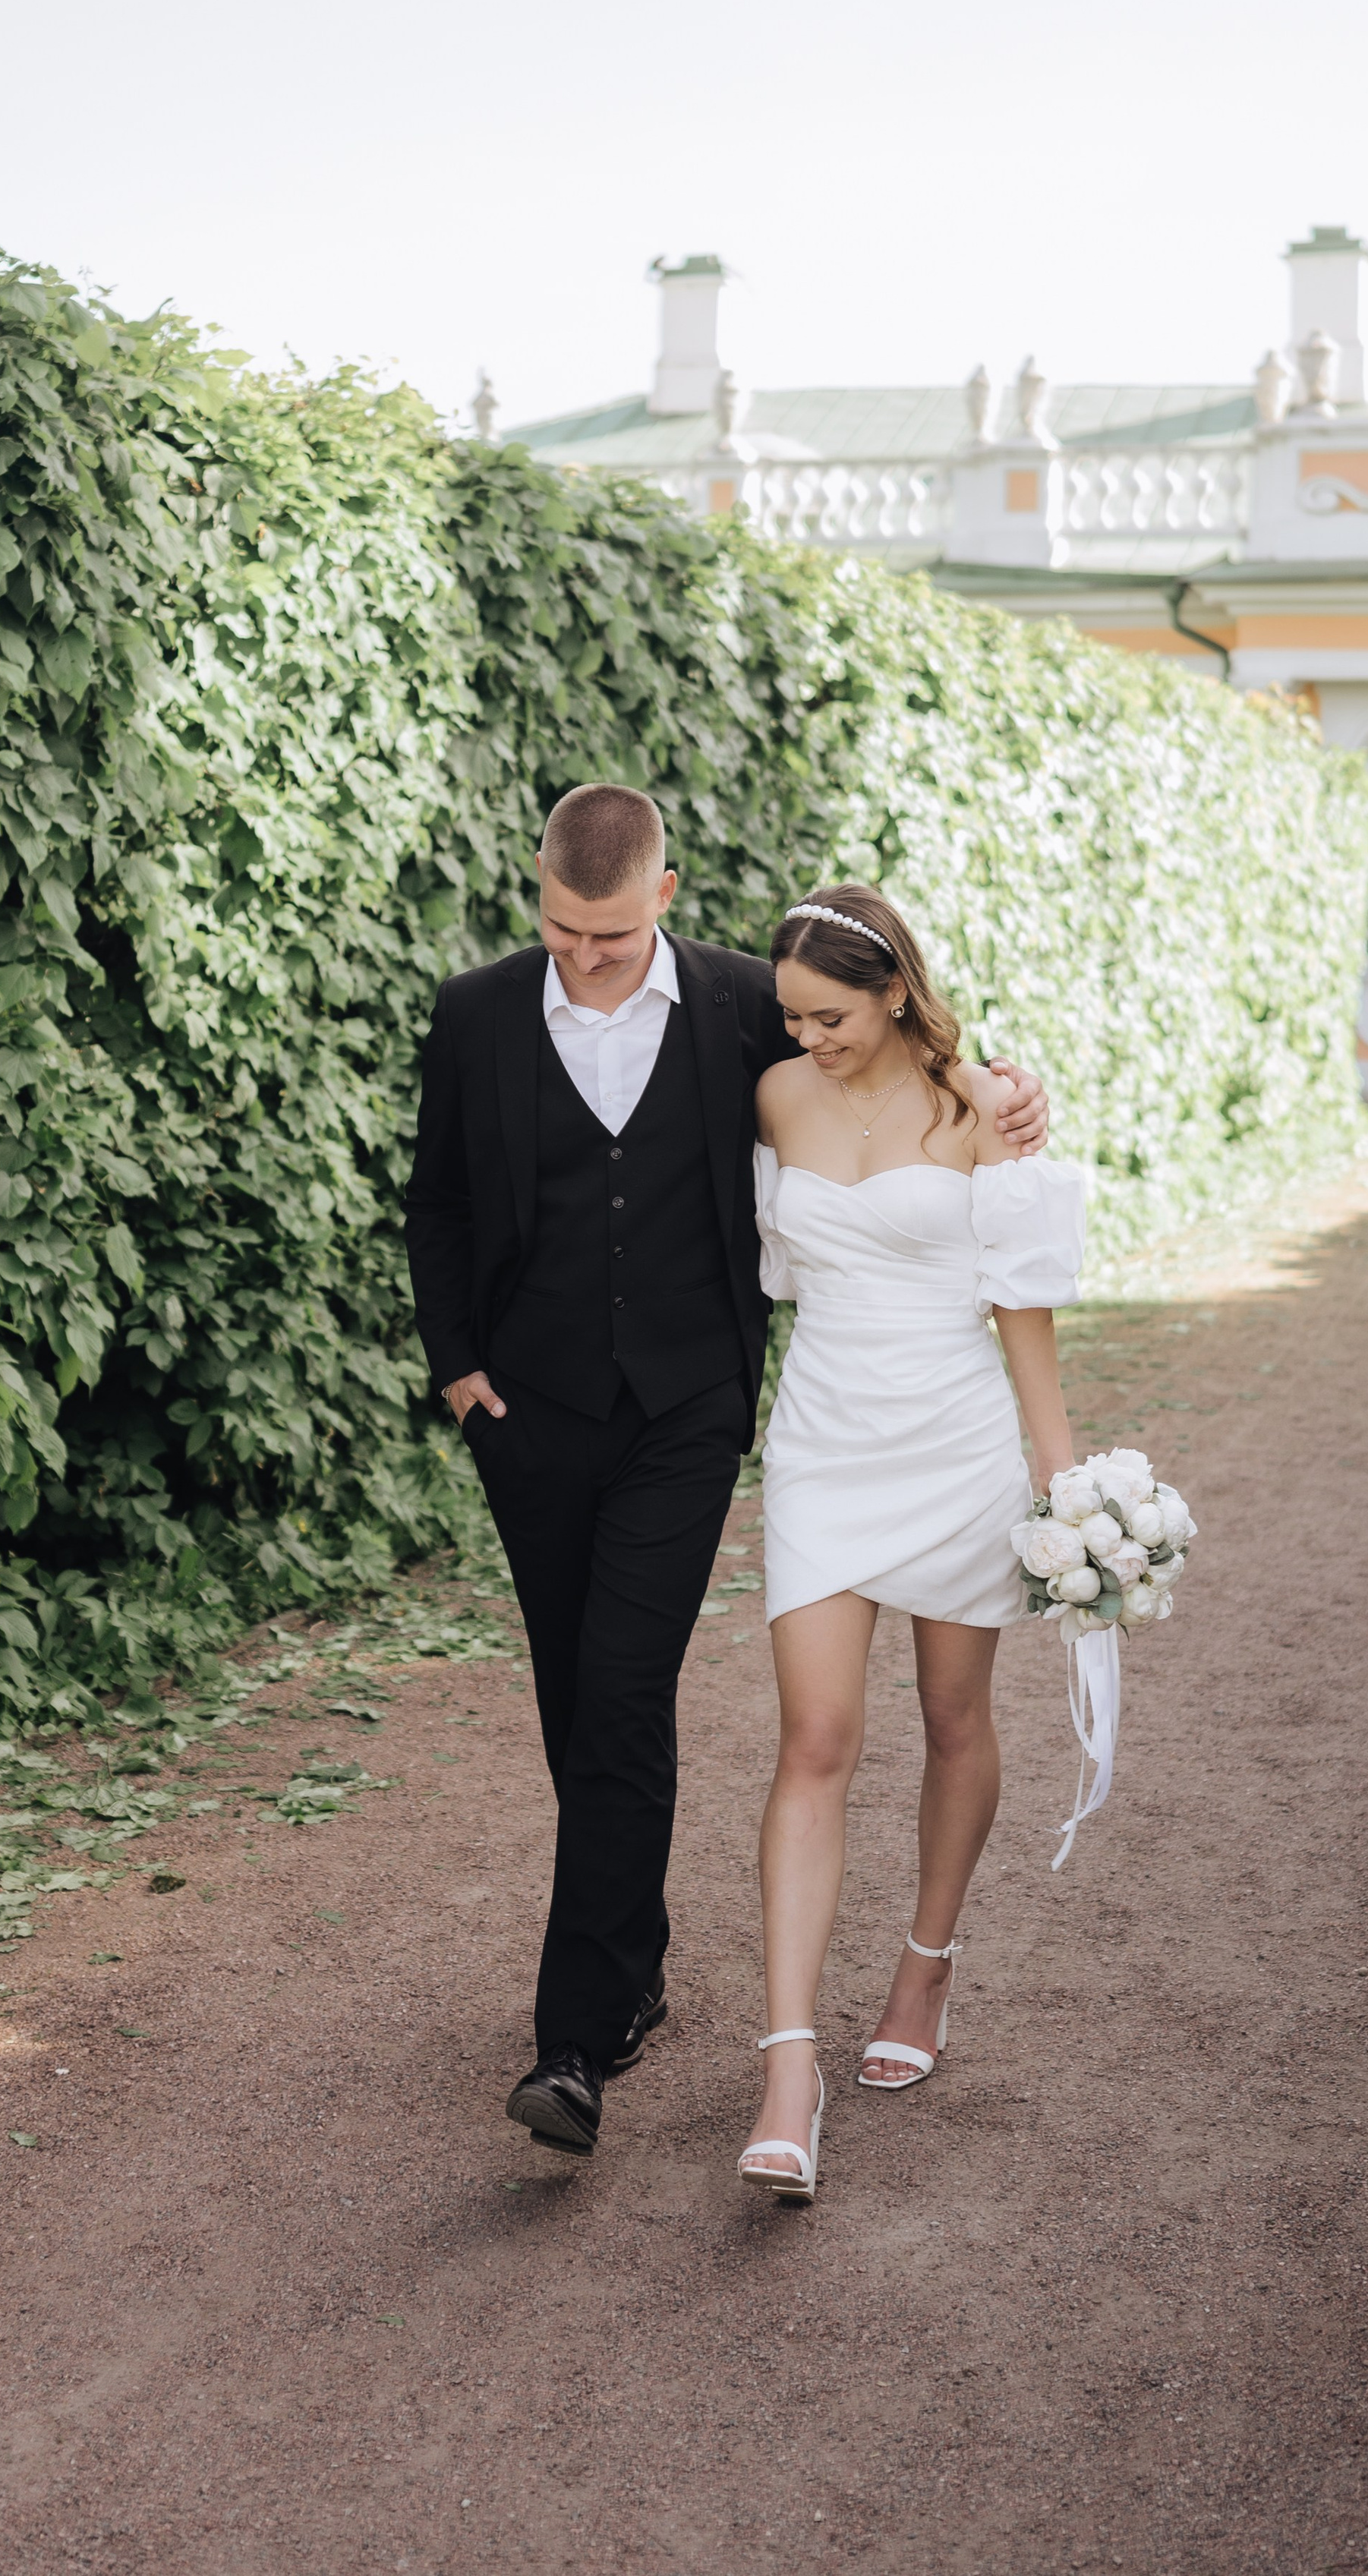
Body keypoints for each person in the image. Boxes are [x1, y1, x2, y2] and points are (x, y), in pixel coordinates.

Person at [403, 790, 1052, 2158]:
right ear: (536, 895)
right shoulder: (472, 1014)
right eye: (562, 928)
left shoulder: (754, 1000)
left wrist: (1012, 1089)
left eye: (614, 930)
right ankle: (628, 1960)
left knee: (631, 1689)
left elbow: (888, 1044)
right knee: (577, 1694)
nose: (585, 954)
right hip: (528, 1409)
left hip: (692, 1409)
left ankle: (573, 2046)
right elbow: (441, 1199)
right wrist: (457, 1362)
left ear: (668, 894)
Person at [736, 883, 1083, 2201]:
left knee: (953, 1719)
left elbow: (1023, 1307)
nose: (811, 1039)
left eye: (830, 1015)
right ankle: (786, 2071)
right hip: (824, 1438)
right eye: (792, 1018)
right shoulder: (773, 1096)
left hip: (954, 1443)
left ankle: (925, 1969)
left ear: (894, 993)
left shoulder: (987, 1106)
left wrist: (1064, 1481)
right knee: (813, 1740)